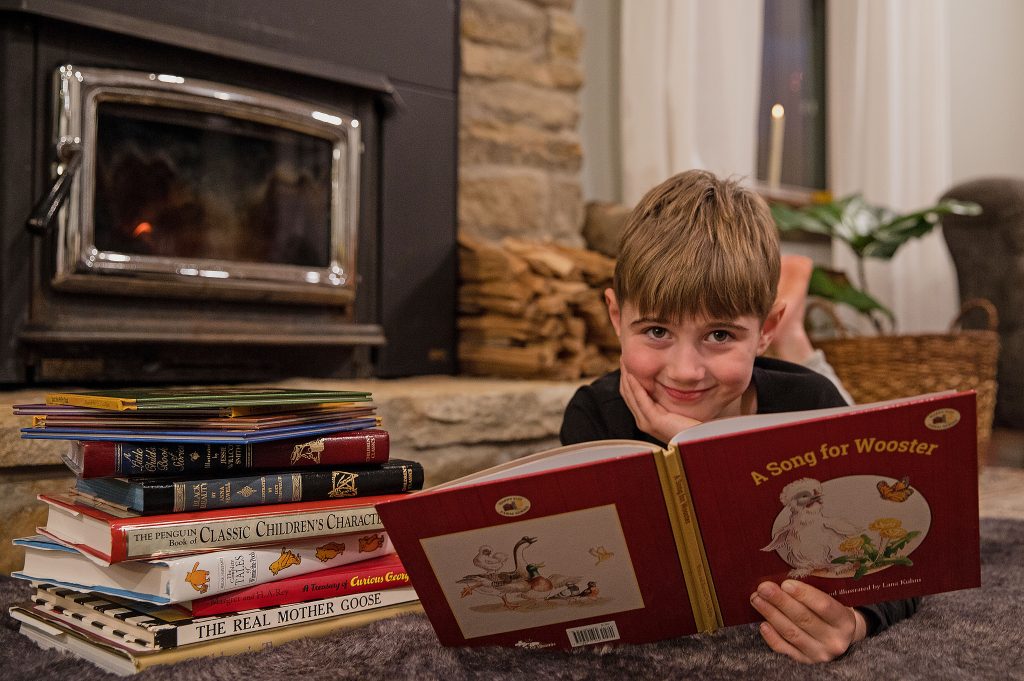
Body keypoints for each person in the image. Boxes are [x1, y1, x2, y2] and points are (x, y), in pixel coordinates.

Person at [559, 170, 918, 664]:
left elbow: (906, 573)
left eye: (721, 336)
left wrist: (854, 623)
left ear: (767, 329)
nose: (685, 372)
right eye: (657, 330)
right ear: (617, 318)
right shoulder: (595, 415)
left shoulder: (810, 403)